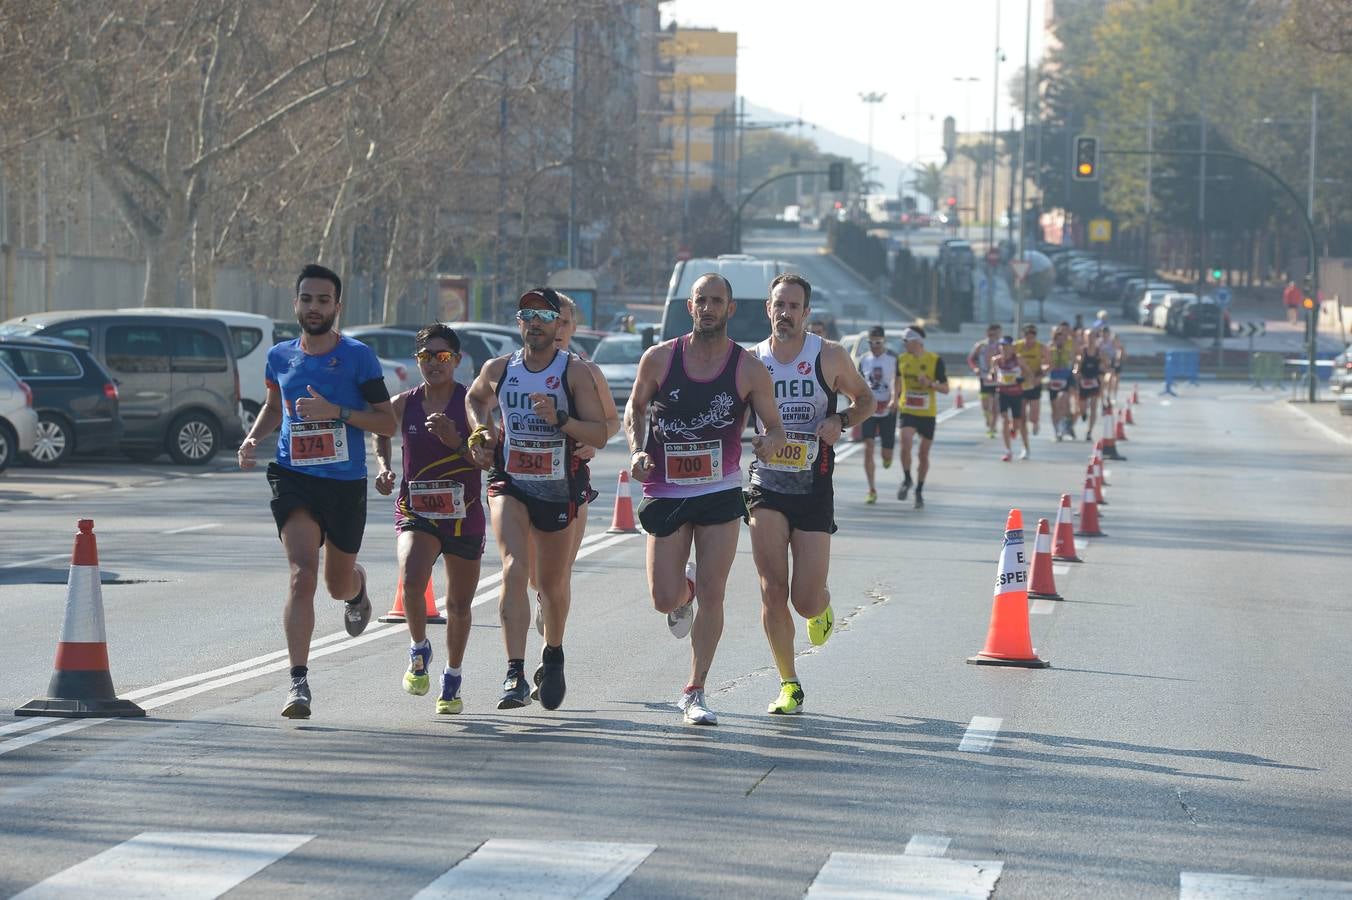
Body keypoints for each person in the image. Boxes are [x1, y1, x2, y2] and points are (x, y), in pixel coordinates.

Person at [238, 264, 397, 719]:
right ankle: (298, 682)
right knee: (301, 574)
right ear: (296, 304)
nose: (314, 308)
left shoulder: (358, 357)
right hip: (294, 475)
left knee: (334, 583)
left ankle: (357, 589)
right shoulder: (279, 357)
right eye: (306, 299)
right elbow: (274, 407)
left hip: (344, 483)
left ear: (337, 307)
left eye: (323, 300)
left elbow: (387, 422)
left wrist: (337, 412)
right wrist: (253, 438)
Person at [625, 273, 785, 726]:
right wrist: (637, 449)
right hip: (666, 489)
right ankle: (684, 588)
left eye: (717, 301)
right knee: (662, 597)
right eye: (702, 301)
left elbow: (772, 426)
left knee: (715, 594)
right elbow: (635, 408)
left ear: (731, 309)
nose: (709, 308)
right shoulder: (659, 358)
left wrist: (769, 441)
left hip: (719, 490)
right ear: (690, 307)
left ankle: (695, 691)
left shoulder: (748, 367)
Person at [465, 287, 609, 711]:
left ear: (557, 324)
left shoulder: (574, 373)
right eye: (527, 314)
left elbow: (599, 432)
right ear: (519, 322)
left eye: (545, 315)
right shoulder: (500, 368)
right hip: (511, 480)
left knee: (551, 584)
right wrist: (481, 430)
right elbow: (475, 398)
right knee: (512, 567)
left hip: (559, 487)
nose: (536, 322)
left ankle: (554, 653)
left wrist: (560, 419)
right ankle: (514, 672)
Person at [747, 274, 871, 715]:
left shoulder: (830, 356)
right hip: (766, 484)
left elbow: (866, 400)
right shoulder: (751, 361)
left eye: (793, 306)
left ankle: (822, 606)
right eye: (778, 305)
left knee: (805, 599)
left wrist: (840, 422)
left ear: (806, 313)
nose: (785, 313)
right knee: (771, 590)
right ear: (768, 309)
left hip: (814, 482)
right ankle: (789, 683)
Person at [373, 324, 483, 714]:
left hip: (463, 514)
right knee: (412, 576)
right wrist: (385, 467)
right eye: (425, 357)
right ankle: (419, 649)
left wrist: (457, 440)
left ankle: (452, 677)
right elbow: (381, 430)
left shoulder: (472, 403)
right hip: (416, 509)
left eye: (442, 357)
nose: (434, 364)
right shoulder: (405, 402)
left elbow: (486, 460)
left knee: (458, 604)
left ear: (456, 359)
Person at [528, 293, 621, 650]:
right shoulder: (518, 367)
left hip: (570, 479)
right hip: (524, 479)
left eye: (565, 322)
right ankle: (541, 596)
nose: (559, 329)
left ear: (572, 327)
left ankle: (550, 653)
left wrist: (591, 442)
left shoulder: (586, 371)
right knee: (535, 575)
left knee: (560, 569)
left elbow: (611, 422)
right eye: (554, 320)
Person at [895, 326, 949, 507]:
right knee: (905, 444)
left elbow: (946, 389)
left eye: (906, 341)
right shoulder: (902, 359)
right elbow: (896, 382)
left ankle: (919, 490)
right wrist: (893, 399)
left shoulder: (934, 360)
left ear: (917, 342)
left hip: (927, 413)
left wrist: (930, 383)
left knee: (923, 453)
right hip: (908, 409)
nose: (904, 345)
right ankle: (907, 478)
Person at [858, 325, 898, 504]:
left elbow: (898, 380)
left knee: (886, 454)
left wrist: (895, 399)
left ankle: (887, 457)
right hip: (869, 409)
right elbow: (857, 383)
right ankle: (871, 488)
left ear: (884, 341)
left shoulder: (892, 358)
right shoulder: (864, 359)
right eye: (871, 342)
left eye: (878, 342)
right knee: (868, 447)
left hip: (888, 408)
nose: (874, 345)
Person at [989, 336, 1032, 461]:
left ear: (1012, 348)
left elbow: (1028, 372)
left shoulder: (1018, 359)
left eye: (1007, 346)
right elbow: (992, 373)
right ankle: (1008, 451)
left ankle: (1018, 436)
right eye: (1002, 346)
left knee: (1018, 422)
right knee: (1004, 419)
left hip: (1017, 393)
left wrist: (1022, 379)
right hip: (1003, 392)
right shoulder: (996, 360)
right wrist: (993, 376)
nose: (1004, 349)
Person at [966, 323, 1002, 438]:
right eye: (992, 333)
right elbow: (971, 359)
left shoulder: (1002, 346)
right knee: (985, 405)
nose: (994, 336)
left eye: (997, 333)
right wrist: (975, 368)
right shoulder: (980, 345)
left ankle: (992, 427)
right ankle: (987, 417)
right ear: (987, 333)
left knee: (996, 404)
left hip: (998, 378)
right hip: (984, 377)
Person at [1015, 324, 1049, 436]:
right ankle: (1023, 430)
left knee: (1033, 415)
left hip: (1035, 380)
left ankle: (1035, 422)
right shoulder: (1017, 346)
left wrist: (1042, 375)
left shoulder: (1041, 347)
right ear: (1023, 335)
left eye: (1032, 336)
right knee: (1022, 412)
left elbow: (1049, 363)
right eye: (1027, 336)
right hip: (1021, 381)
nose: (1029, 339)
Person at [1046, 321, 1077, 441]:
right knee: (1055, 407)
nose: (1061, 341)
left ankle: (1065, 424)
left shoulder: (1070, 347)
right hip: (1054, 378)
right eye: (1058, 339)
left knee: (1063, 399)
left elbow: (1075, 360)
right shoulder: (1049, 348)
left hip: (1066, 377)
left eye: (1063, 338)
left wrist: (1075, 370)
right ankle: (1057, 430)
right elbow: (1045, 363)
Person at [1074, 329, 1105, 442]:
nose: (1091, 339)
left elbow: (1105, 365)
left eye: (1092, 336)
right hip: (1084, 381)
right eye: (1088, 336)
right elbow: (1077, 365)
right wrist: (1077, 373)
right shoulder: (1082, 351)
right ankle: (1083, 414)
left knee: (1093, 406)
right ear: (1085, 338)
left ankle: (1089, 431)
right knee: (1082, 407)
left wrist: (1103, 371)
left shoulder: (1099, 352)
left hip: (1094, 381)